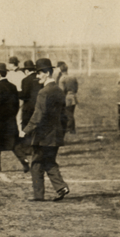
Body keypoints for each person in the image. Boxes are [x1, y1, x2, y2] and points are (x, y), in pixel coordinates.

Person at [19, 58, 70, 202]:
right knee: (49, 161)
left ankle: (38, 196)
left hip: (43, 136)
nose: (37, 76)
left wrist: (26, 130)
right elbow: (64, 116)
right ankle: (61, 187)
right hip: (56, 135)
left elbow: (38, 115)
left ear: (47, 73)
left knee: (36, 164)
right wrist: (62, 132)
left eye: (39, 73)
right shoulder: (59, 91)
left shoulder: (43, 92)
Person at [0, 62, 27, 172]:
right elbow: (16, 104)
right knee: (14, 143)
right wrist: (12, 114)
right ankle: (25, 161)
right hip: (10, 120)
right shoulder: (12, 87)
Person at [56, 61, 78, 135]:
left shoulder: (62, 79)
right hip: (73, 97)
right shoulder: (73, 77)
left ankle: (70, 129)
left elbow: (62, 91)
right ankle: (72, 129)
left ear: (61, 70)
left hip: (67, 98)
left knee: (68, 114)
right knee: (71, 113)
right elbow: (76, 88)